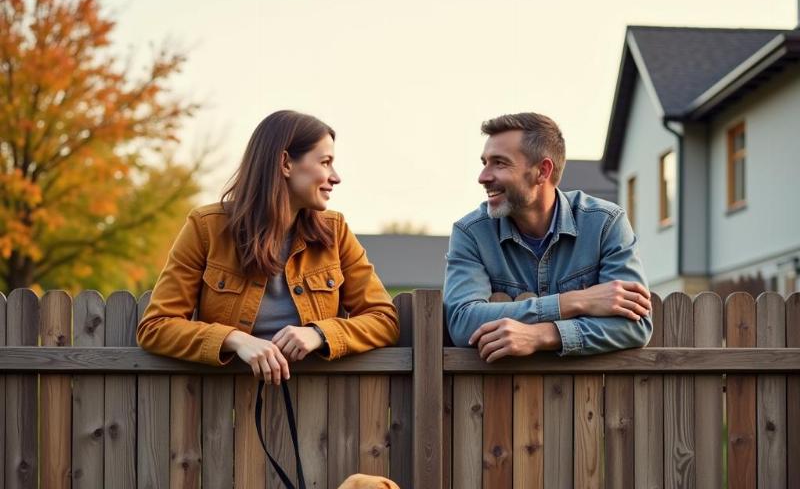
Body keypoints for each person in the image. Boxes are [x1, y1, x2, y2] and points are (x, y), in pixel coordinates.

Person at [137, 110, 399, 382]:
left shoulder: (335, 231)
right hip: (219, 408)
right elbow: (156, 327)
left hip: (321, 409)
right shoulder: (206, 228)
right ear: (285, 163)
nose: (335, 177)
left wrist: (319, 333)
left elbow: (384, 320)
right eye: (325, 162)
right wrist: (234, 340)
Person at [444, 112, 652, 361]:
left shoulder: (605, 223)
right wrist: (573, 302)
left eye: (499, 163)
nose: (483, 177)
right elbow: (462, 322)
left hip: (591, 396)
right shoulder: (471, 233)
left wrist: (543, 335)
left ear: (542, 171)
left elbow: (635, 326)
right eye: (484, 162)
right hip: (497, 396)